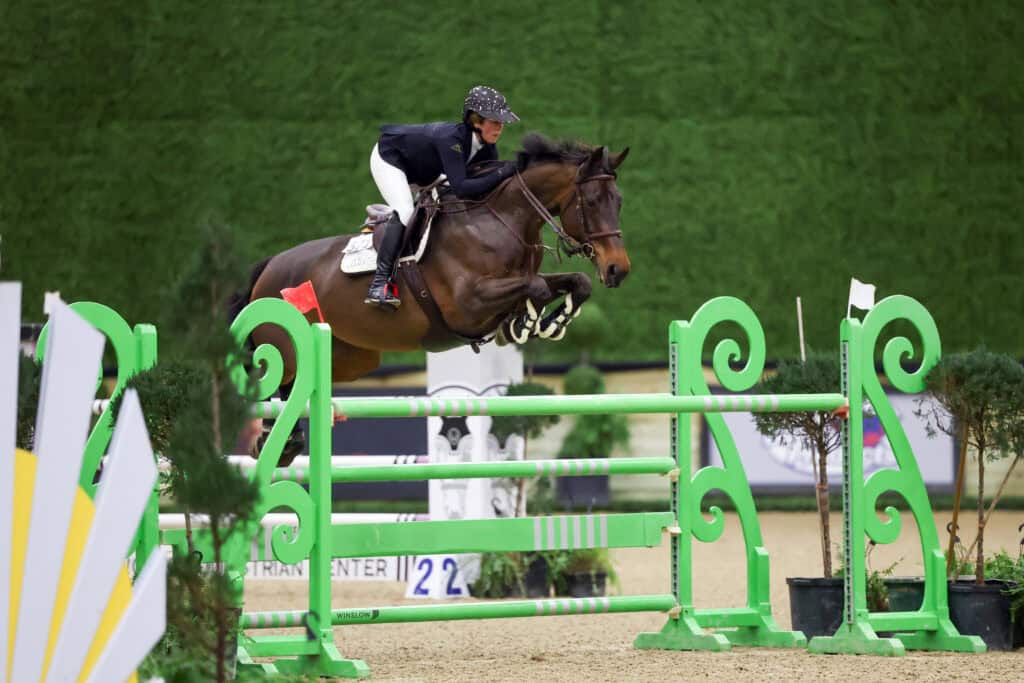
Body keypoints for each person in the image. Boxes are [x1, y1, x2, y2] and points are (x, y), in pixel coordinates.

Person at [365, 85, 520, 309]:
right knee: (405, 211)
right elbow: (463, 187)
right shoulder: (452, 140)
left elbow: (486, 187)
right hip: (391, 158)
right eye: (495, 121)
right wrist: (503, 172)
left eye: (502, 122)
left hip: (427, 168)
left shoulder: (487, 147)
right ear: (476, 121)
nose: (500, 127)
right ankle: (379, 284)